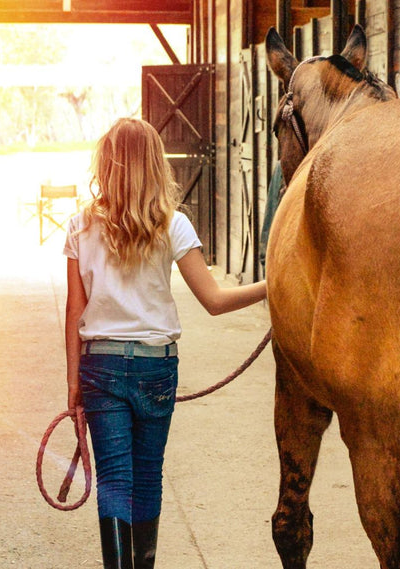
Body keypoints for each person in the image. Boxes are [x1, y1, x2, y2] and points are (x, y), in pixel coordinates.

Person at [63, 117, 267, 569]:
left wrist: (74, 382)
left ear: (107, 164)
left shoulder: (80, 226)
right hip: (156, 366)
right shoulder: (174, 225)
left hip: (101, 366)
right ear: (156, 164)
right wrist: (274, 285)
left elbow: (74, 313)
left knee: (115, 481)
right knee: (147, 476)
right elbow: (214, 301)